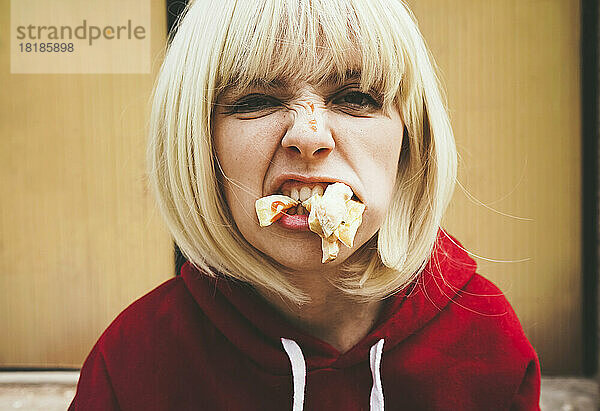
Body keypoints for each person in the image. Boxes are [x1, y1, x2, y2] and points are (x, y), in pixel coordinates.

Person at [69, 0, 541, 409]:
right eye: (256, 99)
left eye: (355, 97)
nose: (309, 136)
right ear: (199, 145)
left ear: (411, 141)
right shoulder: (135, 362)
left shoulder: (486, 341)